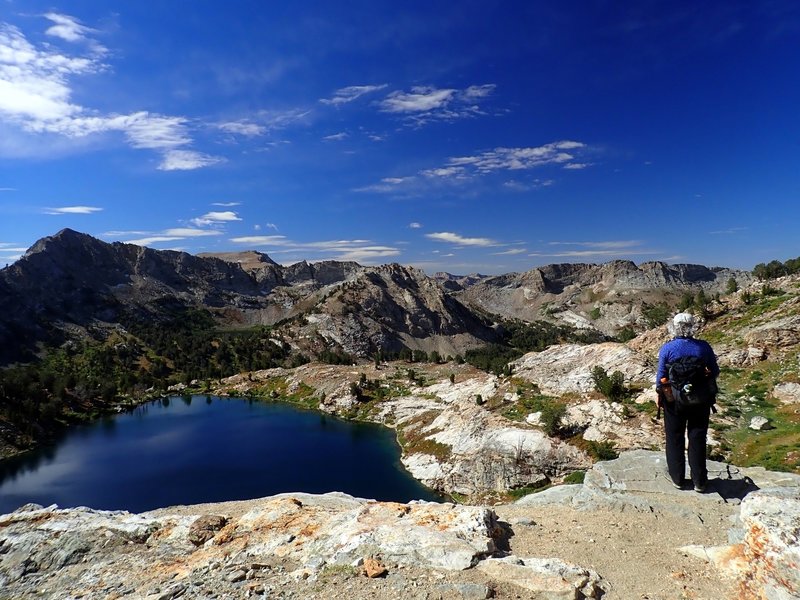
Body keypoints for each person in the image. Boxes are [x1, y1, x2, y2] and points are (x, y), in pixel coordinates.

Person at [655, 312, 720, 492]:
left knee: (674, 437)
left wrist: (659, 395)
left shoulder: (667, 349)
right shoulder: (703, 347)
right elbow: (715, 371)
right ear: (693, 327)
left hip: (674, 401)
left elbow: (661, 377)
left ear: (674, 327)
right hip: (700, 400)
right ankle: (700, 481)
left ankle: (678, 479)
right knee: (697, 437)